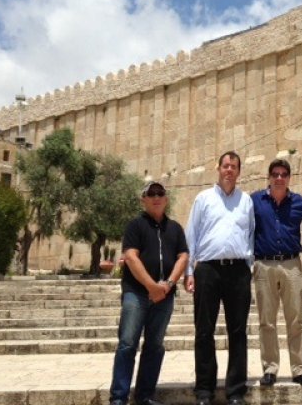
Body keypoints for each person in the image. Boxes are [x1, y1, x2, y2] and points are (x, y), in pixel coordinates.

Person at [109, 181, 189, 405]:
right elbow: (131, 257)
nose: (156, 197)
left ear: (166, 199)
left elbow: (183, 256)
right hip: (136, 293)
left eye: (160, 193)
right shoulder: (135, 226)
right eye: (150, 193)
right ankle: (119, 397)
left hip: (164, 296)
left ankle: (145, 396)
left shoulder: (174, 228)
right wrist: (152, 287)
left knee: (155, 346)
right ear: (143, 199)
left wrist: (169, 284)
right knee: (127, 344)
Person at [184, 151, 255, 405]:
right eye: (225, 166)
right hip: (208, 271)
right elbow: (190, 235)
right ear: (218, 168)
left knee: (238, 332)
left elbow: (250, 236)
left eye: (233, 167)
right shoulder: (203, 199)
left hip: (238, 271)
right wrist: (189, 272)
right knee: (204, 330)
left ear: (238, 171)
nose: (229, 170)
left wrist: (249, 269)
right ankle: (204, 389)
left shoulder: (246, 201)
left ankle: (236, 391)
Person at [251, 159, 302, 387]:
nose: (279, 178)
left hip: (291, 265)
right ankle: (270, 369)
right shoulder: (255, 201)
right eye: (275, 174)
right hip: (264, 265)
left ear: (289, 177)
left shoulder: (299, 203)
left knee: (296, 320)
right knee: (266, 321)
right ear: (269, 177)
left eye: (284, 174)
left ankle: (300, 370)